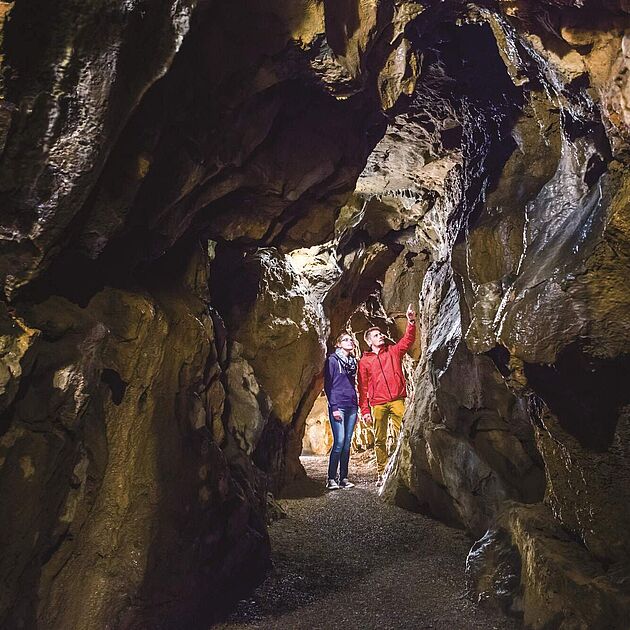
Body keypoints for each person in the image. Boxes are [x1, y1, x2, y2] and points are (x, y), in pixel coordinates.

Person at [358, 304, 416, 486]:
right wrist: (365, 410)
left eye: (380, 334)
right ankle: (382, 473)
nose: (381, 336)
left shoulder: (393, 352)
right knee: (379, 440)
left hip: (397, 400)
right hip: (378, 404)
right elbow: (363, 388)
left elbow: (407, 340)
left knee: (403, 434)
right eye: (376, 335)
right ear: (369, 341)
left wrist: (411, 321)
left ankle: (404, 470)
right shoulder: (364, 362)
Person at [323, 332, 359, 490]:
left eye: (351, 340)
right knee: (339, 442)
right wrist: (334, 407)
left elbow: (353, 384)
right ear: (338, 344)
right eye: (345, 340)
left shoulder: (352, 362)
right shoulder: (332, 360)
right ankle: (331, 478)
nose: (350, 342)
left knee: (347, 444)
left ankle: (343, 477)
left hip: (351, 405)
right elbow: (328, 385)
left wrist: (356, 405)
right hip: (338, 406)